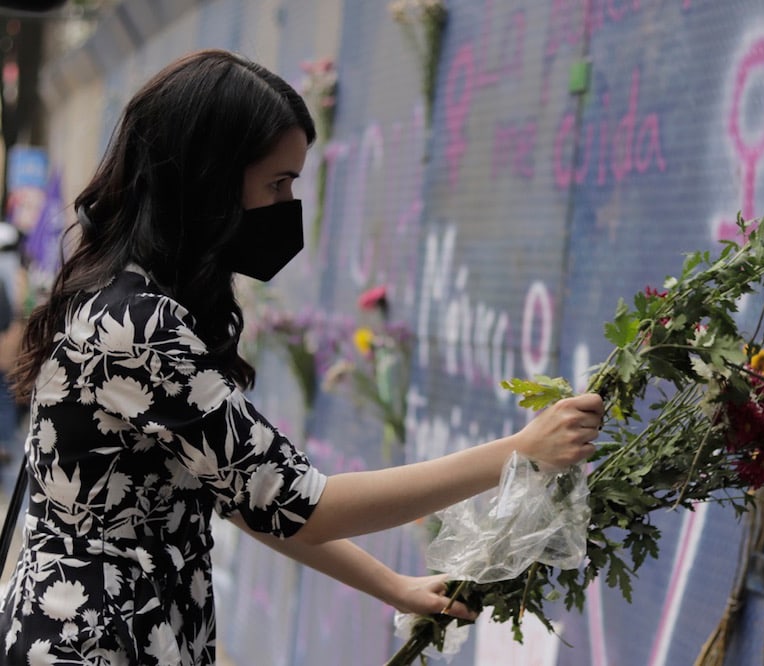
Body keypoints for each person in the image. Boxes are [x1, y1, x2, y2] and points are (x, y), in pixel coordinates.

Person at [0, 49, 603, 665]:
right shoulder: (138, 326)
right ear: (209, 179)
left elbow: (246, 497)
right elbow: (301, 504)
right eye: (277, 184)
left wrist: (394, 587)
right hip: (99, 644)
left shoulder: (129, 299)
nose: (289, 206)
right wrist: (517, 453)